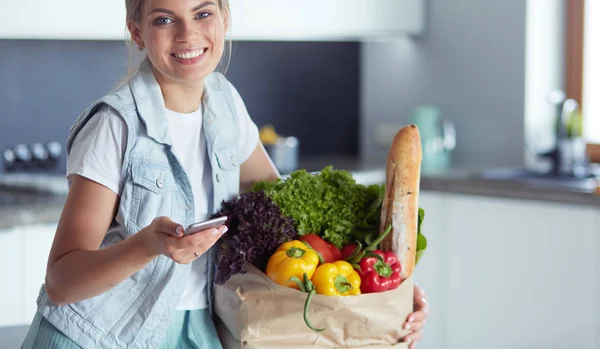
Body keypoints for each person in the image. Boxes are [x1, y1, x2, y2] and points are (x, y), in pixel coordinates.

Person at [21, 0, 429, 348]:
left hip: (198, 331)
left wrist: (378, 290)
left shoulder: (225, 104)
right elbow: (62, 281)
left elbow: (289, 224)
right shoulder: (115, 125)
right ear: (137, 32)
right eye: (165, 19)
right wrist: (148, 245)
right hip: (98, 336)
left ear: (224, 18)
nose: (187, 34)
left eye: (202, 13)